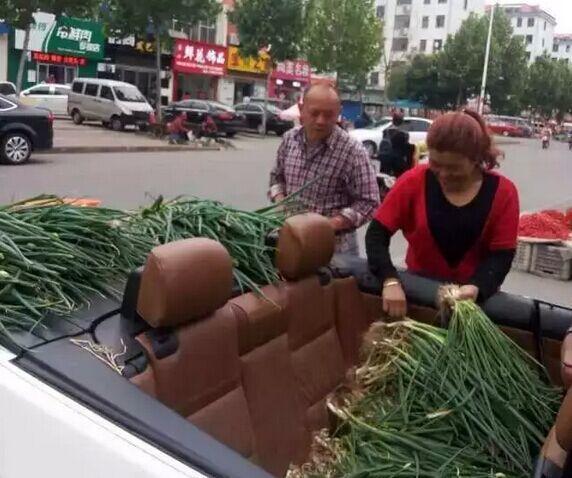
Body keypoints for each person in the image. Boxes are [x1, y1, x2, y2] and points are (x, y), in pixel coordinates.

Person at [366, 109, 519, 318]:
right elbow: (376, 235)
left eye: (454, 167)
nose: (444, 174)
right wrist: (389, 279)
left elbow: (501, 256)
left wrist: (477, 287)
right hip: (416, 295)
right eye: (436, 164)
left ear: (476, 158)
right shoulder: (413, 181)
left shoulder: (504, 193)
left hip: (470, 306)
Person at [269, 82, 379, 254]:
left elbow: (370, 203)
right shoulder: (289, 139)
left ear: (339, 113)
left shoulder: (353, 152)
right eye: (314, 113)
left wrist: (328, 225)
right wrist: (281, 203)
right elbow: (276, 178)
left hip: (334, 250)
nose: (321, 121)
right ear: (301, 109)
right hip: (291, 241)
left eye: (329, 115)